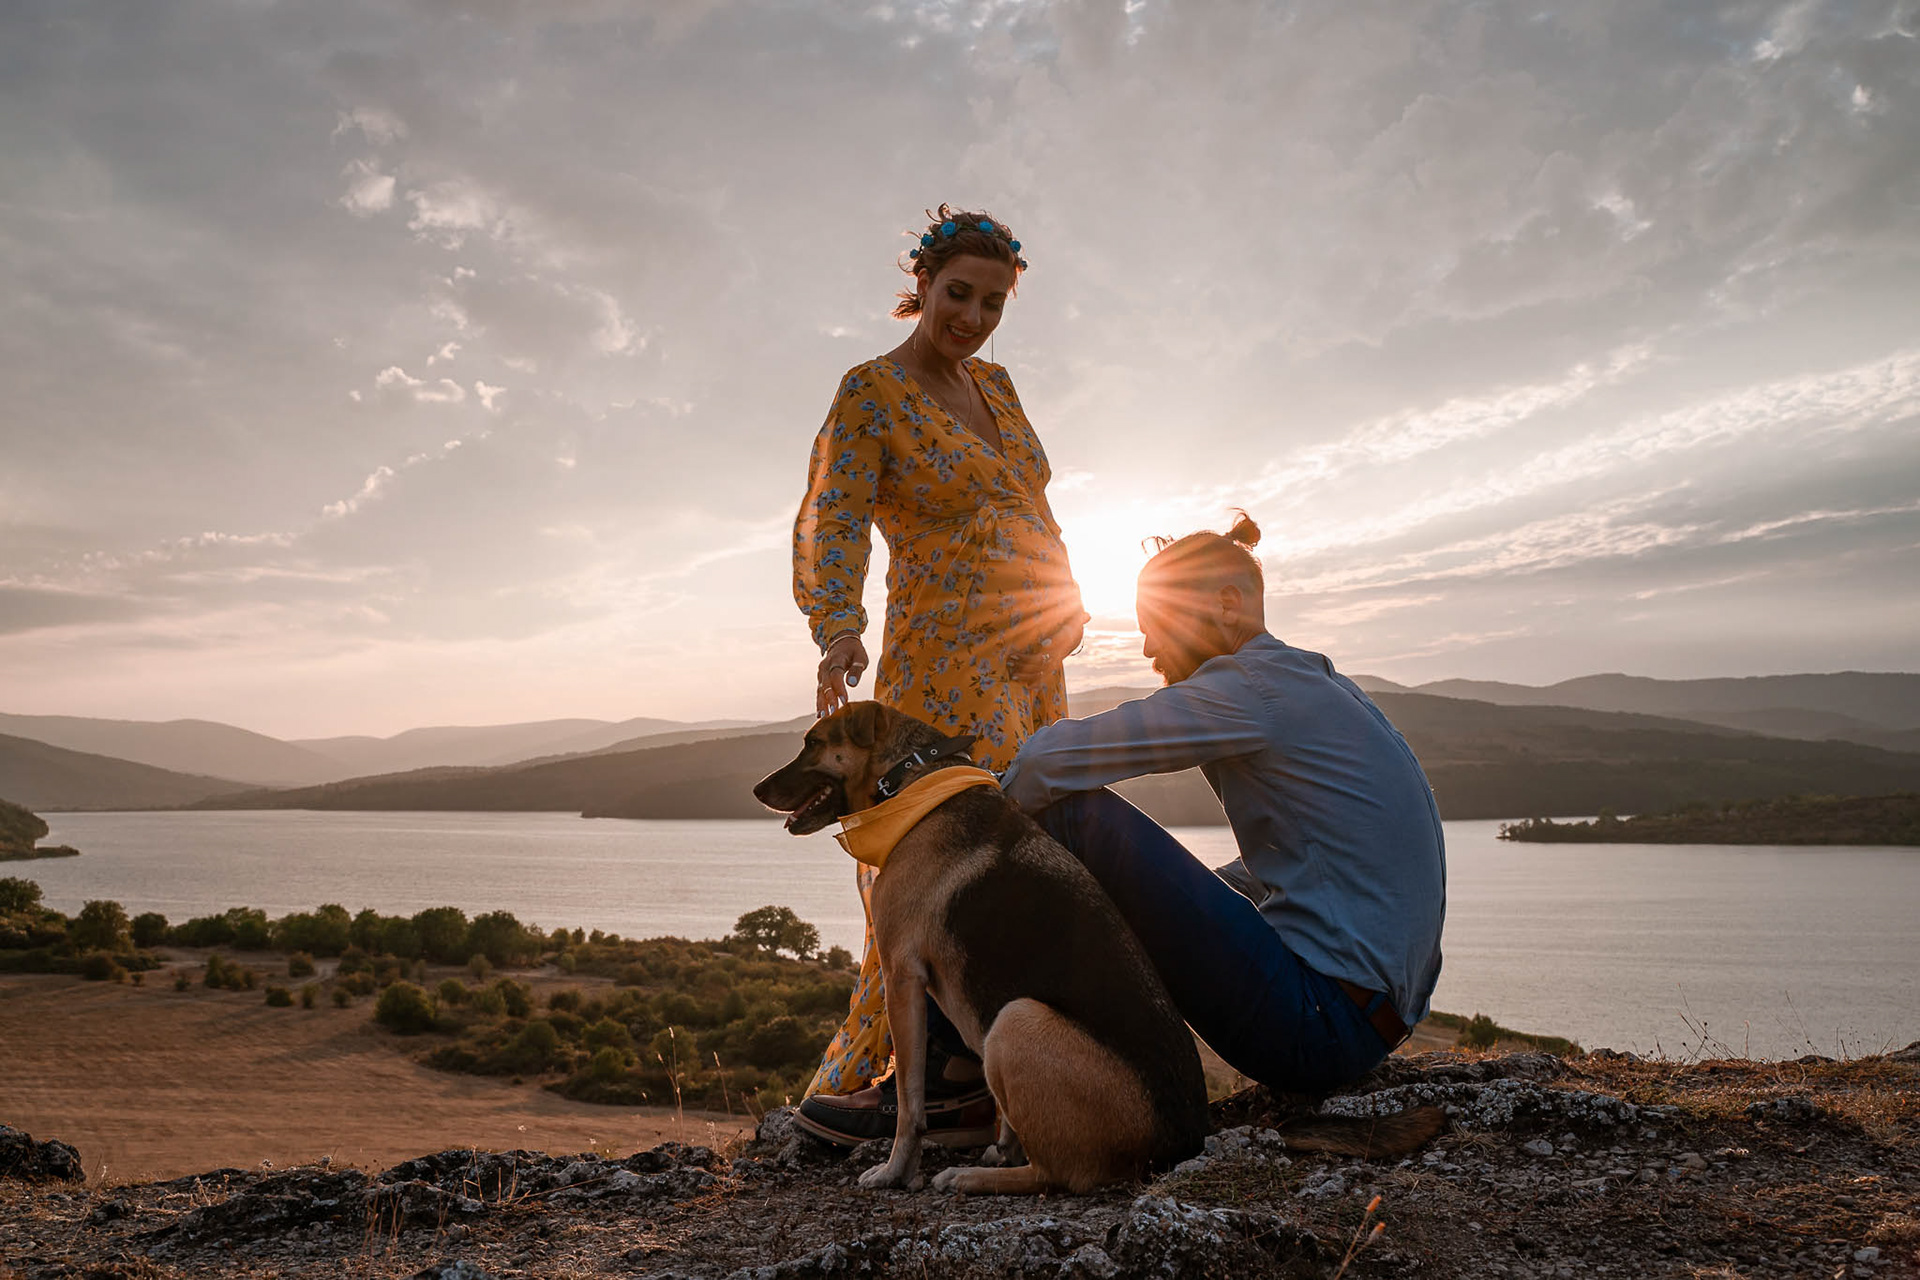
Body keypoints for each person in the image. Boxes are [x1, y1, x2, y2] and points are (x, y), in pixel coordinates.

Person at [790, 204, 1088, 1137]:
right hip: (942, 655)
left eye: (994, 302)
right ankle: (927, 1076)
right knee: (944, 853)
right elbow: (833, 516)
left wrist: (1067, 593)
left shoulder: (999, 389)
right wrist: (837, 625)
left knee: (1026, 840)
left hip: (1030, 661)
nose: (974, 316)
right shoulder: (870, 391)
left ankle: (1004, 1063)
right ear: (920, 285)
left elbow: (1030, 504)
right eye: (959, 294)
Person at [998, 514, 1447, 1094]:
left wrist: (975, 804)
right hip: (1359, 1022)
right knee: (1154, 881)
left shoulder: (1252, 690)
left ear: (1229, 603)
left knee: (1070, 811)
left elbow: (1043, 765)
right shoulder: (1316, 683)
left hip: (1319, 1026)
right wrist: (1171, 903)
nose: (1148, 648)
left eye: (1156, 624)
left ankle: (955, 1072)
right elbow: (1316, 863)